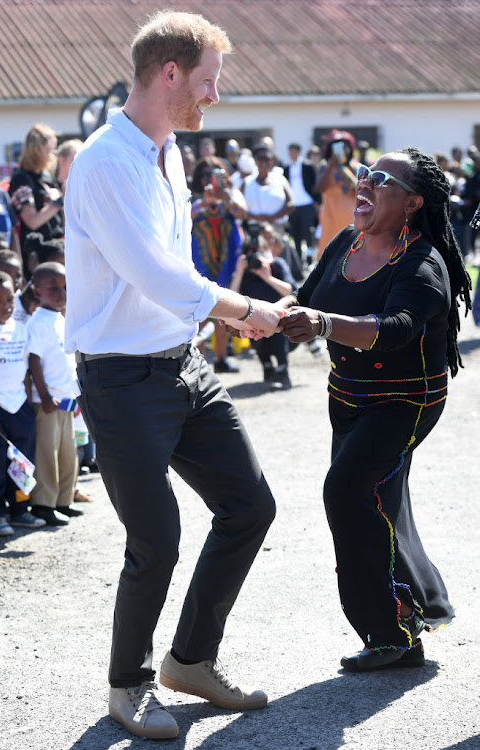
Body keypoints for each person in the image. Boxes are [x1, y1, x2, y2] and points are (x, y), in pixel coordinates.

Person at [64, 10, 281, 741]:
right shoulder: (103, 161)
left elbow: (177, 272)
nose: (215, 97)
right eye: (209, 82)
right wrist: (244, 309)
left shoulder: (170, 153)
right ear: (169, 75)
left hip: (183, 366)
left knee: (250, 507)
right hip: (121, 379)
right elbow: (155, 274)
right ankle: (128, 685)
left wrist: (220, 312)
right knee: (155, 539)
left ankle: (189, 661)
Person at [279, 148, 471, 672]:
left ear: (411, 202)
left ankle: (393, 631)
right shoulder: (347, 241)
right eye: (364, 173)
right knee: (380, 500)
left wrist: (322, 324)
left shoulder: (423, 261)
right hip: (346, 395)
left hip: (405, 400)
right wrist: (253, 311)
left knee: (346, 490)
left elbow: (397, 329)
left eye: (380, 179)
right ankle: (418, 606)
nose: (363, 182)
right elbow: (303, 299)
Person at [0, 271, 44, 535]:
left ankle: (20, 510)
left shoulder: (21, 328)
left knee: (23, 463)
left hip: (19, 407)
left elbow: (28, 370)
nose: (6, 305)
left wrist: (27, 405)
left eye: (9, 299)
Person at [27, 262, 81, 527]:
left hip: (66, 399)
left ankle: (63, 500)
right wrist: (45, 396)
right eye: (53, 288)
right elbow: (34, 361)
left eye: (65, 287)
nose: (61, 293)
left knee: (67, 452)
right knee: (46, 454)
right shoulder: (37, 322)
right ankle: (42, 504)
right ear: (37, 291)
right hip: (46, 402)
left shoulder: (61, 318)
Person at [191, 156, 246, 373]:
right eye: (205, 174)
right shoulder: (192, 198)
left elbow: (242, 212)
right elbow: (186, 216)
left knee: (225, 308)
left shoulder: (230, 195)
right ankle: (200, 363)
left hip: (225, 259)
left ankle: (221, 358)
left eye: (215, 173)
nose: (210, 179)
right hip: (200, 260)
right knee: (200, 311)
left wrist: (226, 197)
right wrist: (204, 202)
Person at [231, 230, 295, 389]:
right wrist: (238, 274)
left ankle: (282, 371)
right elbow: (230, 298)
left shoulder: (277, 265)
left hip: (283, 325)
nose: (257, 257)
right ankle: (267, 366)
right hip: (255, 325)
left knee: (276, 324)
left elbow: (291, 290)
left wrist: (268, 277)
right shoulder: (244, 274)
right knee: (250, 325)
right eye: (252, 253)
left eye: (261, 251)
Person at [9, 123, 64, 276]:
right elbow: (32, 221)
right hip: (36, 254)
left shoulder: (47, 176)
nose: (52, 155)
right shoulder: (21, 179)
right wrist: (57, 203)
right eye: (48, 151)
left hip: (57, 248)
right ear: (36, 150)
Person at [315, 129, 358, 258]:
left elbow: (359, 189)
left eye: (345, 146)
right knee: (330, 253)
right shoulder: (324, 167)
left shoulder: (356, 167)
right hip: (331, 217)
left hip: (354, 218)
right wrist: (331, 166)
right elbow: (320, 187)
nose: (342, 150)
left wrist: (344, 168)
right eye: (337, 146)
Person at [242, 144, 294, 231]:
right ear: (255, 160)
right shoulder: (246, 182)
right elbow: (238, 206)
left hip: (277, 229)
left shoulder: (280, 179)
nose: (264, 162)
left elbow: (291, 204)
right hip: (253, 229)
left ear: (272, 161)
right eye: (260, 158)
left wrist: (273, 217)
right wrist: (257, 218)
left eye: (267, 159)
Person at [283, 143, 318, 265]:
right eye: (290, 151)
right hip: (293, 205)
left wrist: (316, 200)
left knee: (307, 232)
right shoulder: (286, 168)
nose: (292, 154)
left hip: (306, 203)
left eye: (294, 151)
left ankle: (309, 257)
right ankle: (298, 259)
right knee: (296, 233)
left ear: (298, 152)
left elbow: (315, 183)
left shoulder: (307, 166)